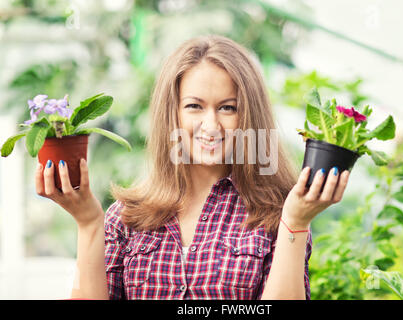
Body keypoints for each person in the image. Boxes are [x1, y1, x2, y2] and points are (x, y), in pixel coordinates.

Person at [35, 35, 350, 300]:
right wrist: (90, 223)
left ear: (249, 116)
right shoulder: (126, 217)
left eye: (228, 108)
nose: (210, 125)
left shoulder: (278, 215)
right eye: (194, 106)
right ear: (171, 112)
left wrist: (295, 222)